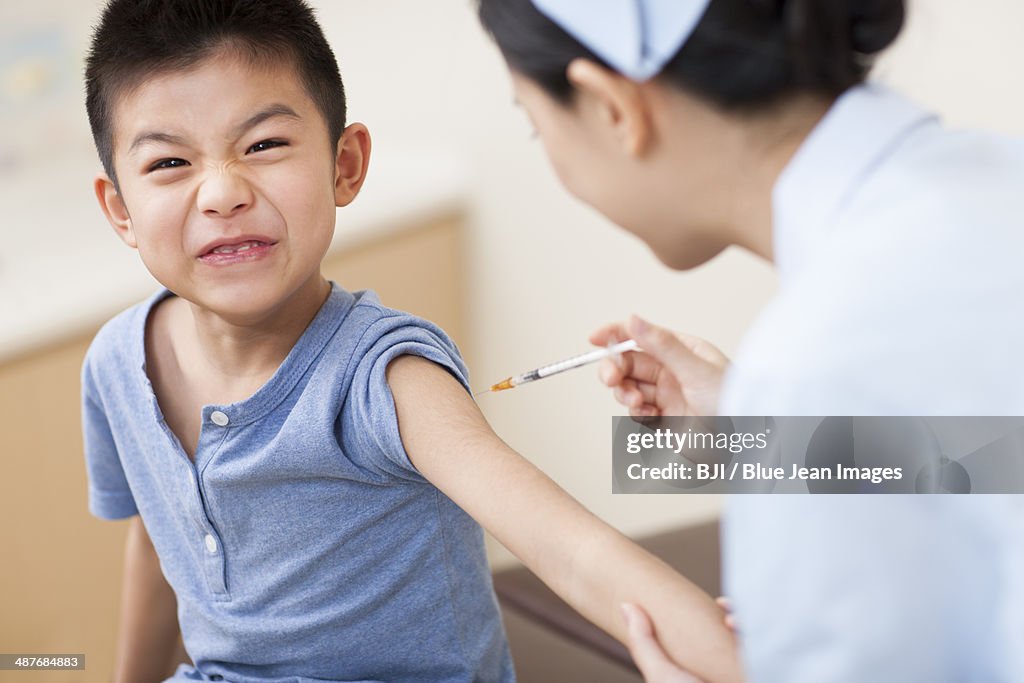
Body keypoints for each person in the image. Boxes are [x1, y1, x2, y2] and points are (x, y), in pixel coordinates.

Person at [80, 1, 743, 682]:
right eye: (168, 162)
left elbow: (574, 550)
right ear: (120, 210)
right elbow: (162, 538)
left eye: (264, 145)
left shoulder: (389, 379)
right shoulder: (116, 364)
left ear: (346, 165)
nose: (222, 192)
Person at [476, 0, 1024, 681]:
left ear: (612, 106)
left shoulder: (816, 356)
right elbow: (1004, 456)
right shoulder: (998, 175)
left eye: (535, 124)